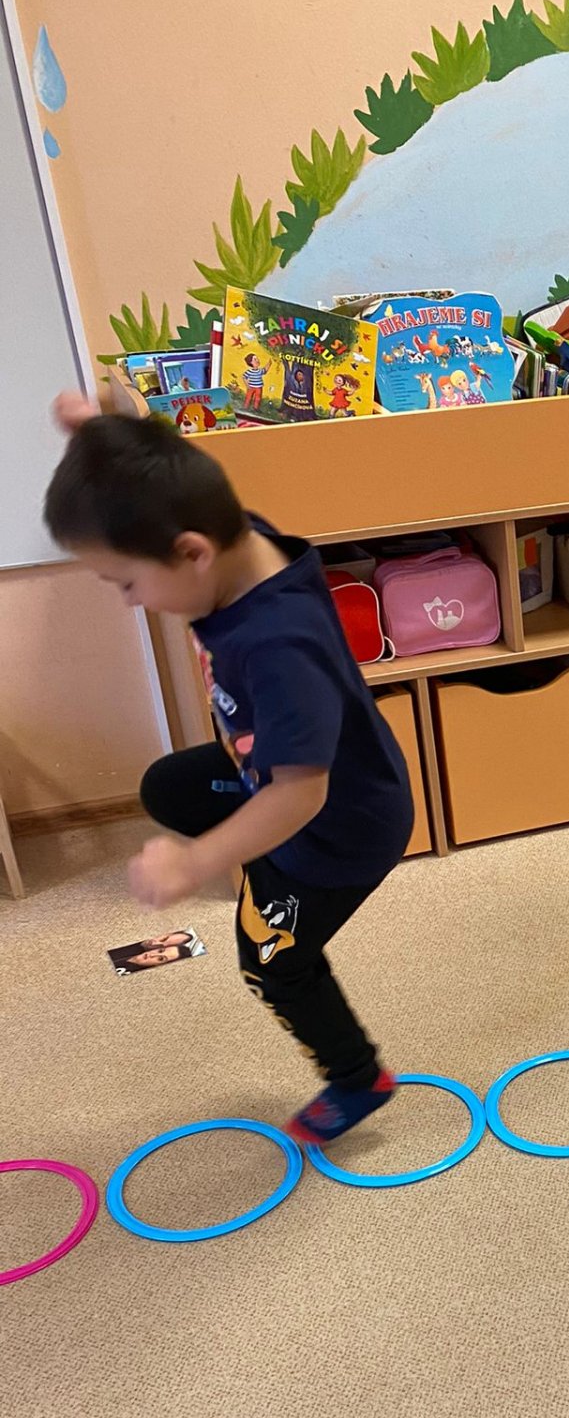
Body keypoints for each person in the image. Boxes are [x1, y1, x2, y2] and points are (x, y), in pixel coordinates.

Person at [45, 394, 413, 1145]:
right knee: (167, 788)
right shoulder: (236, 536)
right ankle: (254, 858)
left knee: (271, 963)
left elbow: (301, 794)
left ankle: (357, 1079)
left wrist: (197, 862)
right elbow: (173, 476)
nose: (129, 603)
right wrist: (101, 436)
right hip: (272, 767)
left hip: (335, 829)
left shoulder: (279, 645)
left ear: (191, 553)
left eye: (125, 582)